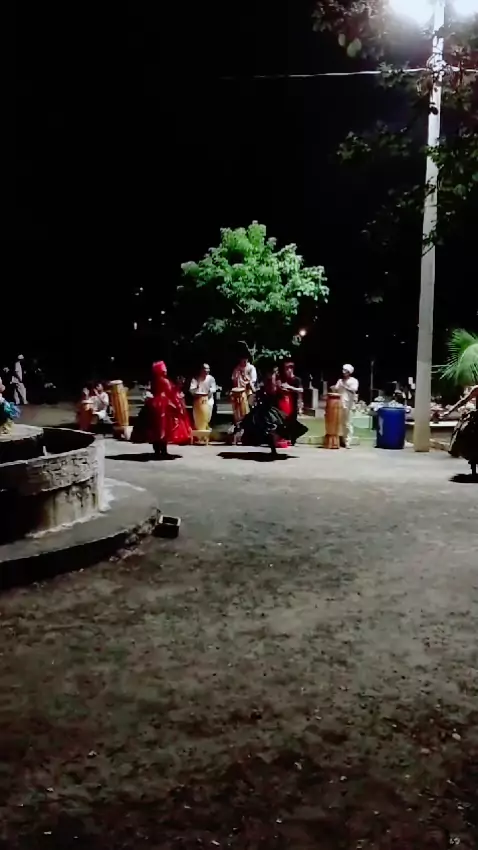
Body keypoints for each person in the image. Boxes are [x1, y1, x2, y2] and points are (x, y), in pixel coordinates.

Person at [440, 385, 478, 476]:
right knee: (462, 428)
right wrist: (449, 411)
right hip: (477, 416)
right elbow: (464, 401)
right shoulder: (476, 389)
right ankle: (455, 448)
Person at [277, 360, 306, 447]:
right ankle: (287, 438)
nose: (286, 371)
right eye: (285, 369)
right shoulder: (284, 379)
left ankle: (292, 439)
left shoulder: (297, 379)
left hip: (294, 403)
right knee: (286, 421)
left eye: (288, 369)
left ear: (291, 369)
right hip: (286, 403)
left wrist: (290, 387)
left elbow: (301, 390)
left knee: (293, 421)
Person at [333, 364, 359, 449]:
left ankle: (347, 441)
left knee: (348, 423)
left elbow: (354, 390)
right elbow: (335, 389)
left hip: (349, 404)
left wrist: (344, 386)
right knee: (339, 422)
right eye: (343, 370)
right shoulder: (340, 380)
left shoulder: (354, 381)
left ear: (349, 372)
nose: (343, 372)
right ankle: (339, 440)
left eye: (345, 370)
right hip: (340, 403)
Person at [189, 363, 217, 430]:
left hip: (208, 399)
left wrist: (210, 390)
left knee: (207, 414)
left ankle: (206, 426)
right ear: (201, 370)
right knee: (198, 415)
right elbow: (191, 390)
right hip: (198, 400)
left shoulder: (211, 378)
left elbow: (214, 388)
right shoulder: (196, 379)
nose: (207, 371)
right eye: (205, 369)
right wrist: (196, 389)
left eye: (208, 369)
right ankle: (198, 427)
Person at [169, 375, 193, 445]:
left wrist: (182, 407)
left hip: (181, 407)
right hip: (175, 408)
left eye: (182, 383)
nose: (182, 385)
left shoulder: (180, 391)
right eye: (181, 383)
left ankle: (183, 437)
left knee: (183, 421)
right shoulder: (173, 390)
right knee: (176, 422)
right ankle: (176, 436)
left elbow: (182, 400)